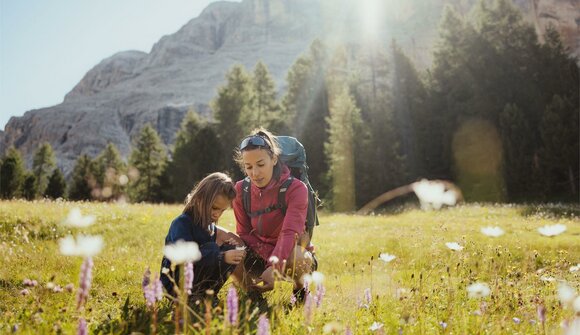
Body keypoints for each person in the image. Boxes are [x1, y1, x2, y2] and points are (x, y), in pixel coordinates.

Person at [232, 128, 313, 293]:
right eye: (248, 167)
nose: (255, 173)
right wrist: (269, 259)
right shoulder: (241, 190)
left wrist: (274, 265)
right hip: (258, 252)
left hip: (289, 253)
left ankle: (300, 292)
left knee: (299, 257)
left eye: (261, 164)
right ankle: (252, 295)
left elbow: (290, 232)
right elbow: (244, 233)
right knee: (227, 247)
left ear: (274, 159)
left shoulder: (296, 189)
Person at [160, 172, 246, 303]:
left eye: (222, 210)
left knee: (229, 248)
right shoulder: (182, 223)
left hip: (197, 281)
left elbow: (210, 259)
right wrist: (221, 255)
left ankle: (208, 294)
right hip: (175, 285)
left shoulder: (209, 226)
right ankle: (191, 297)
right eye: (214, 208)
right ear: (199, 198)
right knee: (214, 249)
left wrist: (227, 248)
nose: (217, 214)